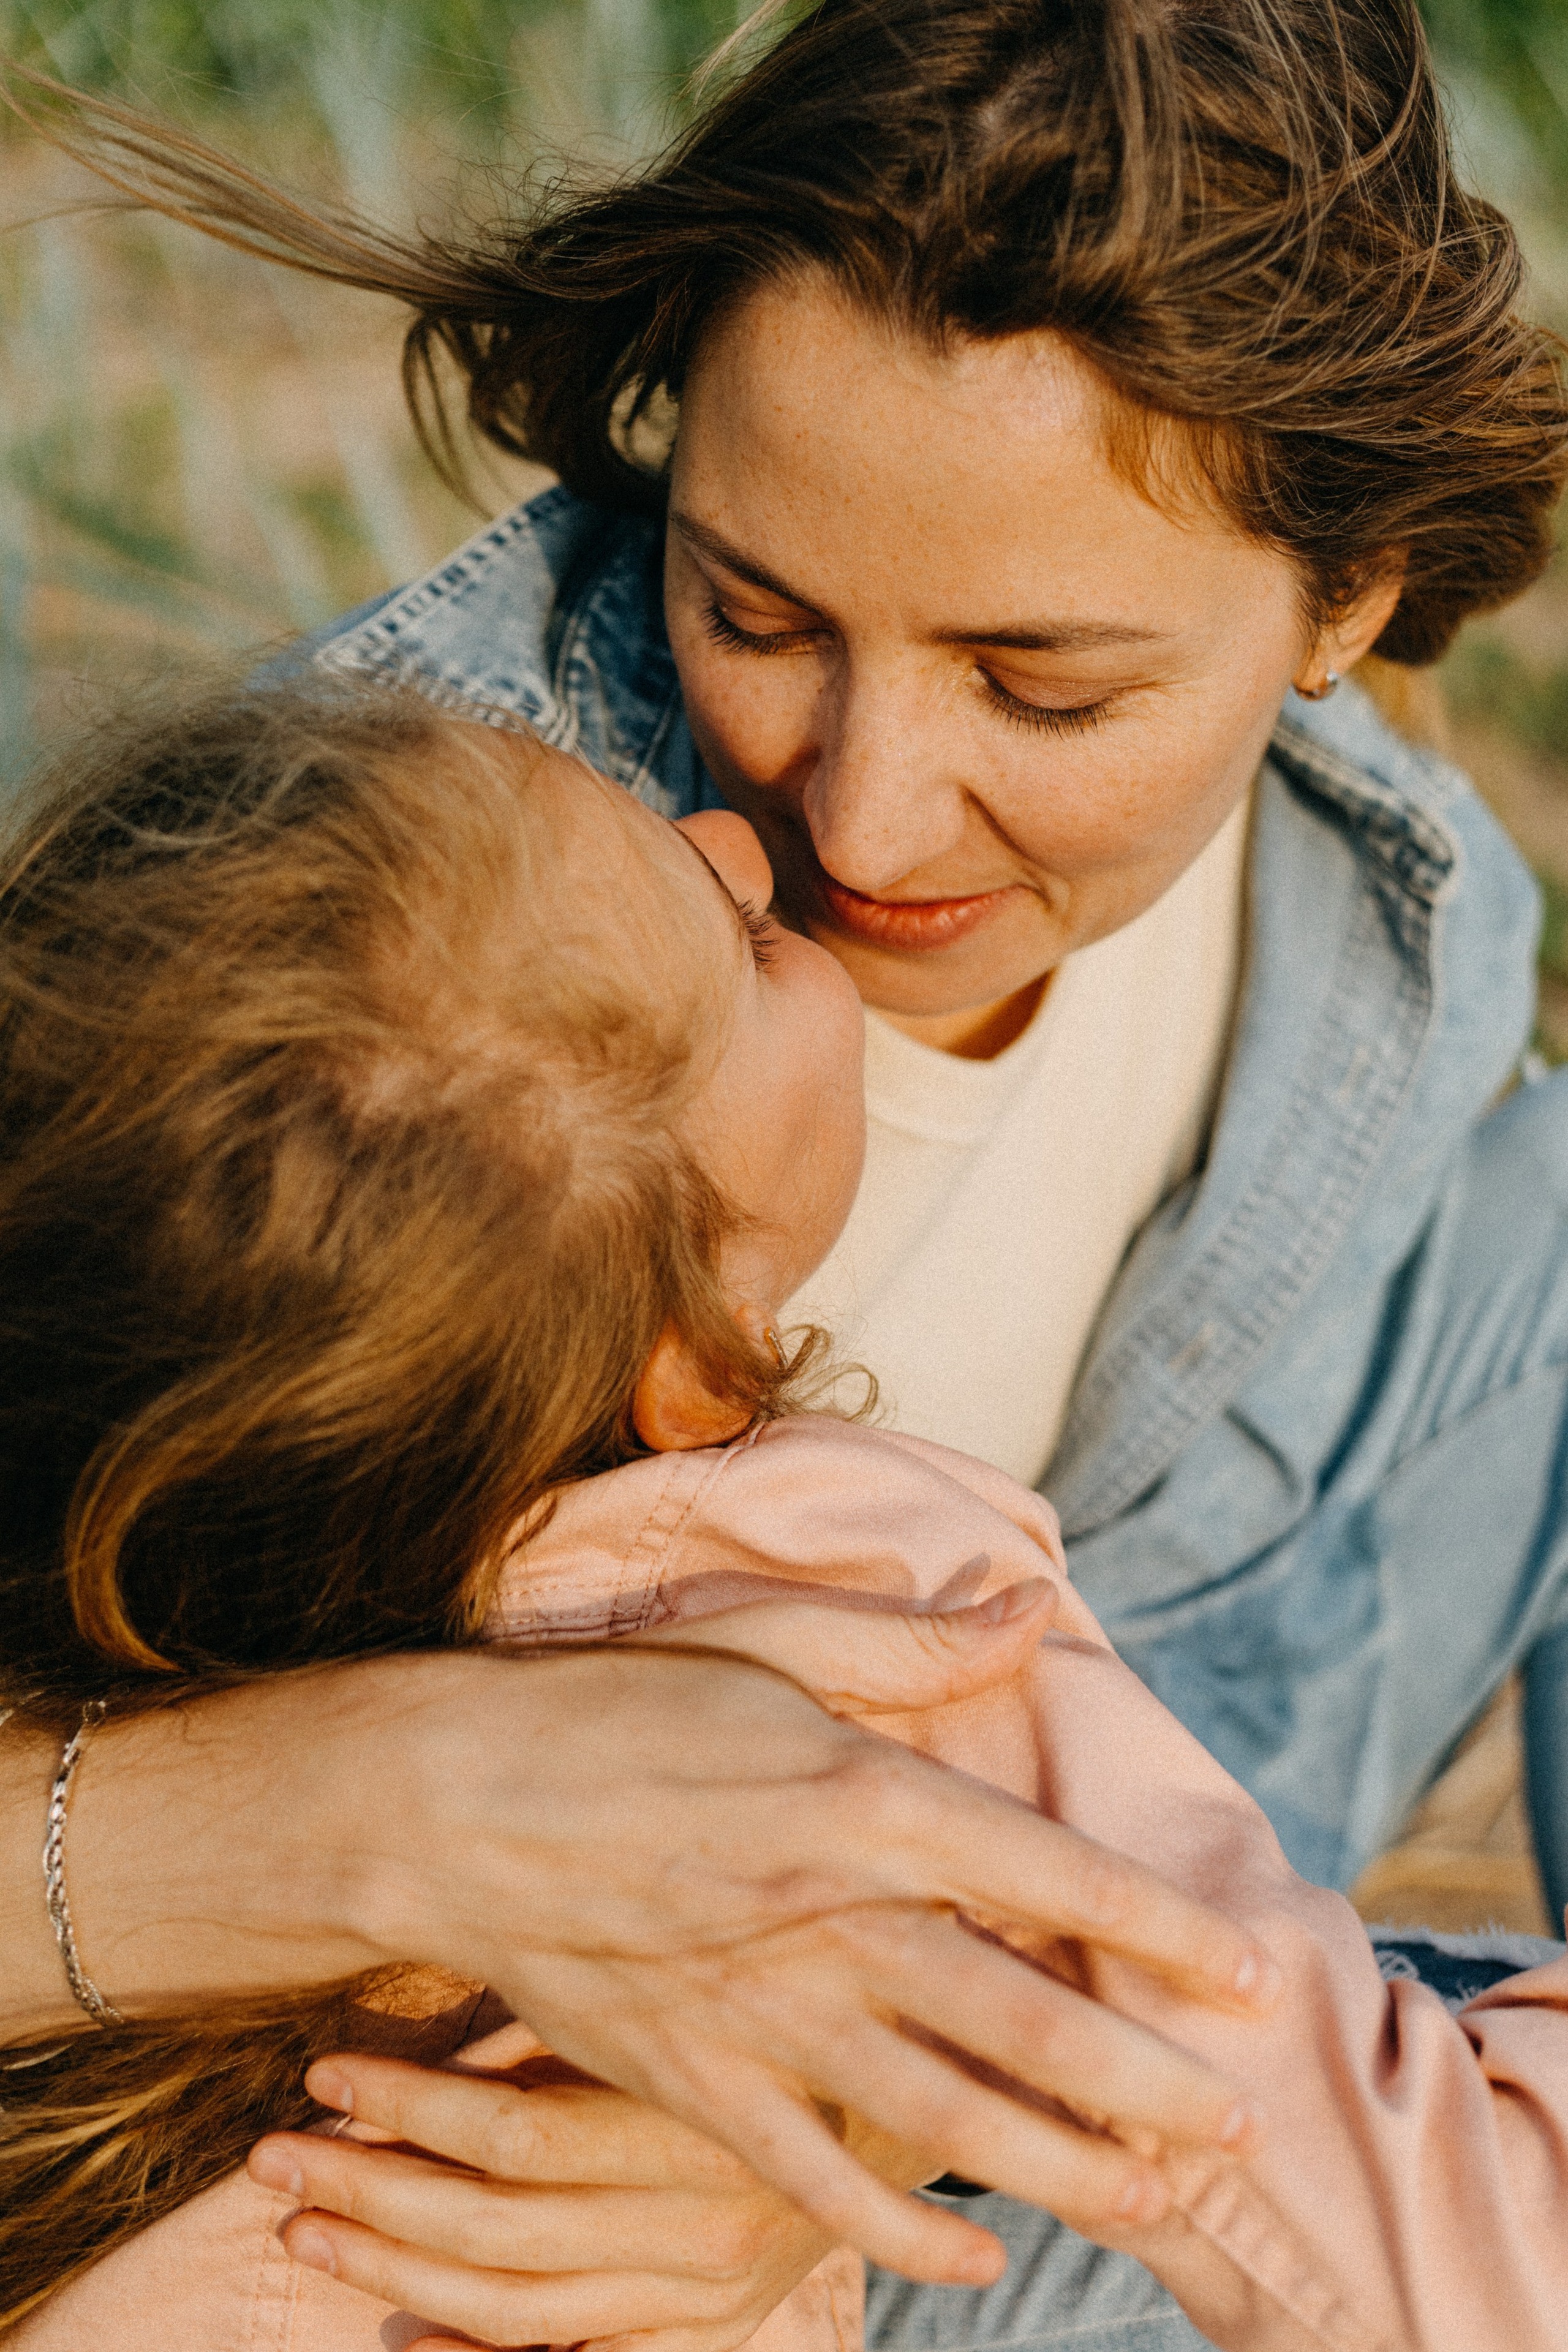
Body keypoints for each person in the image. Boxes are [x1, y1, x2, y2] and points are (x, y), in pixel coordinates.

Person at [7, 0, 1568, 2340]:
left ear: (1345, 605)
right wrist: (380, 1806)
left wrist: (848, 2112)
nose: (848, 819)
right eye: (751, 609)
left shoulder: (1402, 933)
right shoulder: (357, 958)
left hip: (1052, 2034)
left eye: (1044, 688)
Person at [0, 677, 1278, 2334]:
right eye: (749, 950)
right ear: (705, 1361)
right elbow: (1248, 2044)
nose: (743, 841)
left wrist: (852, 2107)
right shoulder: (873, 1592)